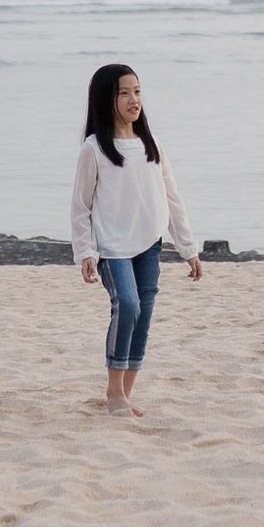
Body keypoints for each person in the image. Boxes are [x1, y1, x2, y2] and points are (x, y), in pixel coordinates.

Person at [70, 63, 201, 416]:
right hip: (112, 248)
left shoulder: (151, 143)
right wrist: (85, 251)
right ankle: (114, 391)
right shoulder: (95, 148)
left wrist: (188, 248)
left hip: (149, 244)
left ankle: (125, 393)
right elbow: (80, 205)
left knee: (144, 314)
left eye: (137, 91)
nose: (133, 100)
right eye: (124, 93)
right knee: (127, 306)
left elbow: (171, 197)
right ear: (105, 99)